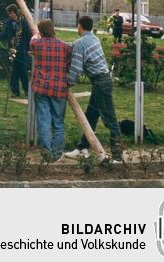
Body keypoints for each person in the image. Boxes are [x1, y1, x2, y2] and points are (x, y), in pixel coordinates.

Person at [64, 15, 123, 162]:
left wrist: (68, 83)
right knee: (90, 116)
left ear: (80, 26)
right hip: (103, 81)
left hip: (100, 83)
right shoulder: (93, 38)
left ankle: (117, 156)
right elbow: (72, 46)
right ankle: (82, 147)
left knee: (110, 119)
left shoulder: (80, 44)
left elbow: (76, 68)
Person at [30, 19, 71, 160]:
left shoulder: (36, 44)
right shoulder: (64, 47)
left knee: (43, 121)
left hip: (41, 87)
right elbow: (68, 63)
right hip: (59, 88)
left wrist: (35, 34)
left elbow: (33, 40)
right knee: (58, 122)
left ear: (41, 31)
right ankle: (57, 153)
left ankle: (46, 153)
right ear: (53, 29)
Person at [0, 3, 31, 97]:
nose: (10, 15)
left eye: (11, 13)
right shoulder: (8, 23)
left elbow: (28, 35)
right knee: (13, 71)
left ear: (16, 13)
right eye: (9, 13)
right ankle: (15, 91)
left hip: (22, 50)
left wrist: (28, 48)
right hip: (12, 50)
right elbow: (5, 33)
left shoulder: (23, 22)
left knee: (23, 71)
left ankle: (27, 90)